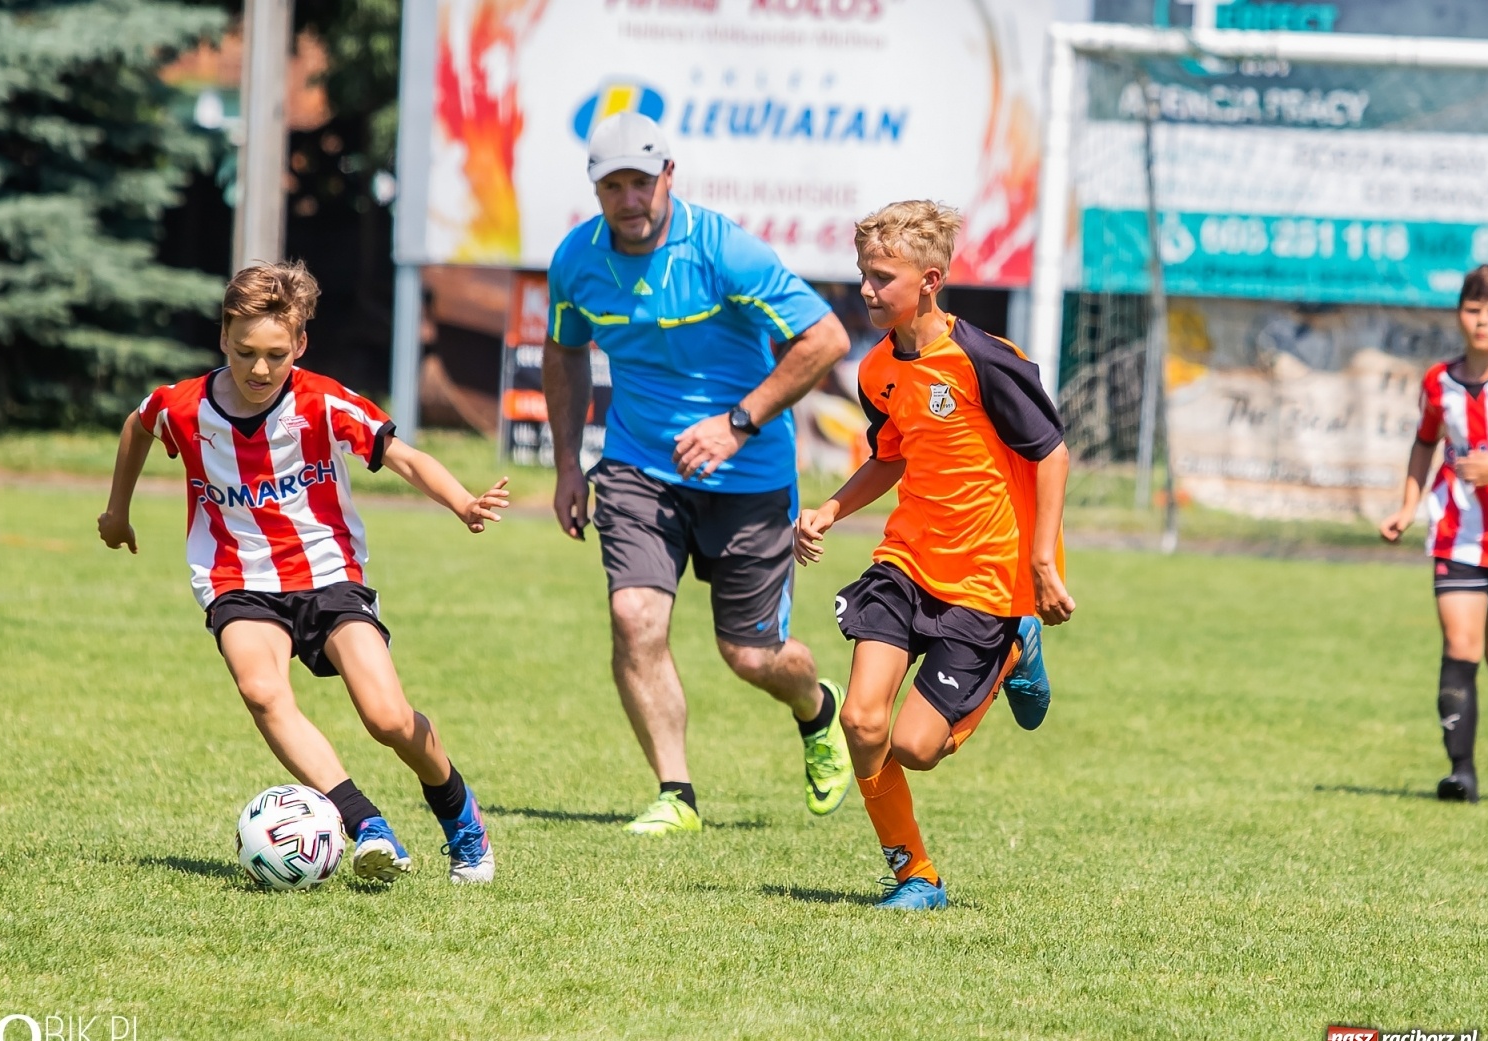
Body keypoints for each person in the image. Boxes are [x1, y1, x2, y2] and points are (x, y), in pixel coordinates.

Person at [97, 262, 508, 882]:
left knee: (387, 718)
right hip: (235, 579)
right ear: (223, 340)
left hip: (328, 574)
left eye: (275, 355)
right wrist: (116, 511)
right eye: (244, 353)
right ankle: (365, 823)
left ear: (300, 346)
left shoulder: (321, 401)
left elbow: (404, 457)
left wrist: (463, 502)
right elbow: (137, 427)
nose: (259, 370)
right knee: (262, 692)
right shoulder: (182, 406)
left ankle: (459, 814)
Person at [542, 113, 855, 834]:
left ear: (669, 177)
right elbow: (564, 352)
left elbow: (825, 337)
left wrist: (736, 422)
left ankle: (818, 708)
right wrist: (567, 463)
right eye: (613, 185)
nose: (629, 199)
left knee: (750, 654)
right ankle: (675, 794)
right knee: (634, 617)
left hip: (749, 475)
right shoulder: (577, 260)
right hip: (638, 466)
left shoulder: (721, 250)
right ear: (596, 190)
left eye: (641, 183)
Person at [794, 201, 1074, 909]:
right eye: (862, 274)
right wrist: (830, 507)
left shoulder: (982, 360)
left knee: (919, 746)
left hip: (986, 579)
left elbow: (1051, 453)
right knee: (862, 721)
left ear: (929, 280)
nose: (865, 289)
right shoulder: (878, 370)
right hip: (907, 565)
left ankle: (1015, 649)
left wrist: (1042, 564)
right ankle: (916, 875)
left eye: (881, 277)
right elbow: (889, 457)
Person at [1379, 264, 1488, 804]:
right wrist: (1407, 505)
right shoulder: (1438, 383)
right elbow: (1425, 442)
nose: (1482, 321)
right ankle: (1461, 774)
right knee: (1460, 646)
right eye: (1474, 309)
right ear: (1458, 313)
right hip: (1459, 537)